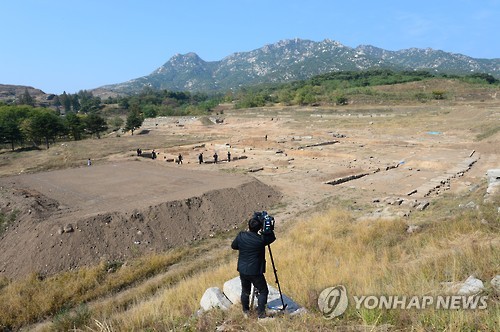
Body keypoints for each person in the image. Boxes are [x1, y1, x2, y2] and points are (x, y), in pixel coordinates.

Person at [231, 216, 276, 319]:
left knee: (245, 291)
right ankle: (261, 314)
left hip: (243, 269)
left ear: (249, 226)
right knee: (263, 291)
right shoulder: (261, 240)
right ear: (259, 227)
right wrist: (268, 229)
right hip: (255, 271)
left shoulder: (241, 236)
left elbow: (233, 246)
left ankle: (246, 311)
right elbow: (272, 238)